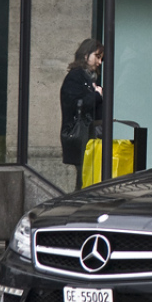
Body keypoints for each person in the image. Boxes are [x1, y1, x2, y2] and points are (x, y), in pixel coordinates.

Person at [60, 39, 104, 190]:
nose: (99, 62)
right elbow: (75, 104)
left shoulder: (87, 77)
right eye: (97, 57)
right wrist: (97, 95)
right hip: (80, 136)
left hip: (86, 136)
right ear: (86, 55)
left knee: (86, 178)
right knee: (84, 179)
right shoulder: (76, 76)